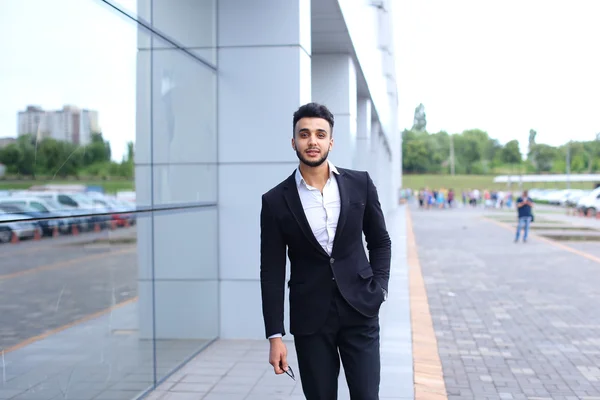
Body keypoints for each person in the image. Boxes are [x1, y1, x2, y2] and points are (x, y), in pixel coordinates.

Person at [260, 102, 391, 400]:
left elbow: (380, 241)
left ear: (331, 141)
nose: (312, 141)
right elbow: (271, 271)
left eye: (320, 134)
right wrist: (275, 336)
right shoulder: (275, 201)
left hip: (360, 309)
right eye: (304, 134)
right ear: (294, 142)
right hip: (311, 320)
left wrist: (380, 288)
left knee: (368, 396)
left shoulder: (360, 184)